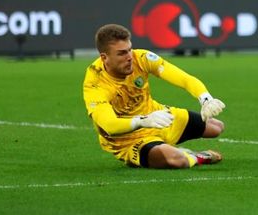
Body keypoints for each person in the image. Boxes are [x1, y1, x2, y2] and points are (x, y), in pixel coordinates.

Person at [83, 24, 225, 168]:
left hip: (156, 117)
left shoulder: (142, 58)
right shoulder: (95, 84)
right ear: (104, 57)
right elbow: (109, 125)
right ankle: (195, 156)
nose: (129, 57)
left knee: (216, 127)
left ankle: (163, 148)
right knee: (177, 160)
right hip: (128, 139)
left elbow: (184, 78)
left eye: (129, 50)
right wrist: (142, 121)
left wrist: (205, 98)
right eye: (121, 53)